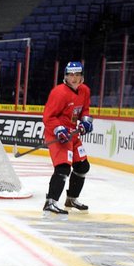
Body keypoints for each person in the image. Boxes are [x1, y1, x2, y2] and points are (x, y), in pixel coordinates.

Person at [42, 60, 93, 215]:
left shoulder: (84, 90)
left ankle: (71, 199)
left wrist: (85, 122)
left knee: (82, 166)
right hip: (58, 135)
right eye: (71, 75)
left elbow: (85, 111)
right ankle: (50, 202)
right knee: (63, 168)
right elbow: (48, 117)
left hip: (73, 134)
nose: (74, 78)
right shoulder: (59, 92)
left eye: (77, 74)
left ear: (82, 76)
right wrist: (58, 130)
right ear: (65, 76)